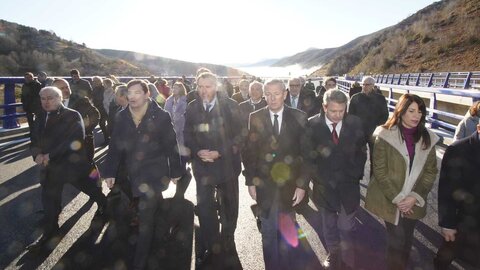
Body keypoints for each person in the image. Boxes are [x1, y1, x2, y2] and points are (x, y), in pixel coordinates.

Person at [103, 79, 184, 270]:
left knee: (145, 219)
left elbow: (171, 145)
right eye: (129, 93)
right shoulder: (121, 116)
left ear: (147, 94)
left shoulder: (161, 116)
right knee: (145, 215)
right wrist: (109, 171)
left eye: (137, 92)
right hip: (130, 174)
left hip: (154, 174)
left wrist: (176, 170)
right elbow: (115, 145)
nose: (131, 96)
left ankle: (140, 263)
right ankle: (160, 239)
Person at [27, 86, 107, 251]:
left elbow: (76, 139)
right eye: (43, 98)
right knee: (49, 201)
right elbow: (34, 138)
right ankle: (49, 235)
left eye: (50, 98)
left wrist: (50, 155)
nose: (46, 102)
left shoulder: (72, 114)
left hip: (73, 166)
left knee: (92, 190)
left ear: (59, 98)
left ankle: (104, 205)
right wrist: (36, 155)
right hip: (50, 169)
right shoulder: (40, 116)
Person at [365, 94, 439, 270]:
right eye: (411, 110)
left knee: (407, 240)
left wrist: (415, 196)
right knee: (396, 241)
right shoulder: (384, 134)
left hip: (414, 201)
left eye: (420, 111)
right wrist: (398, 198)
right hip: (391, 199)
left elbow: (430, 171)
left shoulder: (428, 137)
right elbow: (380, 171)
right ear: (401, 111)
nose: (416, 115)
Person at [244, 79, 310, 270]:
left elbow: (307, 155)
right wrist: (250, 181)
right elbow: (250, 153)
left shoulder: (299, 117)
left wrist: (302, 184)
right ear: (264, 95)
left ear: (285, 94)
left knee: (288, 233)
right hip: (264, 185)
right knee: (268, 232)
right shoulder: (255, 117)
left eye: (277, 93)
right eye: (268, 94)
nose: (272, 98)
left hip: (290, 186)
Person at [184, 71, 242, 265]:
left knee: (230, 207)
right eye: (200, 87)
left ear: (216, 87)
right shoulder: (192, 107)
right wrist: (198, 151)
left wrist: (220, 152)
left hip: (226, 166)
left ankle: (228, 238)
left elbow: (240, 136)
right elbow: (187, 134)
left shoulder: (231, 106)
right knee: (205, 209)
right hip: (202, 167)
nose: (203, 90)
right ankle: (213, 244)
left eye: (207, 86)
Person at [307, 89, 367, 270]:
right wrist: (319, 178)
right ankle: (333, 254)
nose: (338, 115)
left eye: (342, 111)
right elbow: (308, 156)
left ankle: (348, 259)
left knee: (346, 226)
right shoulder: (312, 125)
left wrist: (356, 174)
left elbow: (361, 151)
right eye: (333, 111)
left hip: (349, 184)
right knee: (329, 224)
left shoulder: (355, 123)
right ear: (324, 107)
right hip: (324, 186)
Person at [434, 122, 480, 269]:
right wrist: (447, 223)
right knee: (445, 257)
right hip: (461, 220)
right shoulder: (458, 149)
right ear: (479, 128)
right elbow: (446, 190)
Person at [53, 78, 100, 164]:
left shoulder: (81, 100)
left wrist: (85, 128)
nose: (65, 90)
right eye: (61, 88)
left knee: (87, 168)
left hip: (82, 144)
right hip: (61, 148)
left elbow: (95, 115)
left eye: (66, 87)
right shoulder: (50, 103)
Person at [348, 76, 389, 169]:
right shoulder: (355, 98)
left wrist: (378, 127)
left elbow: (385, 115)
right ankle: (356, 178)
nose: (365, 86)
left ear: (373, 86)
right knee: (359, 157)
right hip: (359, 133)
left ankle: (373, 180)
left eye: (367, 85)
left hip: (374, 132)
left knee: (375, 158)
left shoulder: (380, 99)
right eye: (363, 84)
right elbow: (350, 116)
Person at [164, 82, 188, 158]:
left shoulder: (185, 101)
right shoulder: (169, 100)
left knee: (181, 147)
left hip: (181, 127)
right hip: (170, 127)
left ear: (181, 89)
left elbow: (185, 114)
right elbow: (165, 112)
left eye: (176, 88)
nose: (174, 89)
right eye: (173, 88)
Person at [91, 76, 109, 144]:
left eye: (96, 81)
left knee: (107, 124)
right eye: (94, 81)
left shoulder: (104, 88)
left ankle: (109, 138)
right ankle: (106, 138)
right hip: (99, 109)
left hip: (105, 108)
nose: (95, 82)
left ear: (100, 81)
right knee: (102, 124)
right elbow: (93, 97)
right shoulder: (94, 89)